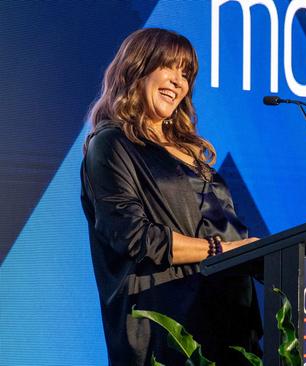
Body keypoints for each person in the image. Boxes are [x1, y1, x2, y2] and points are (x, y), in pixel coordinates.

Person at [80, 28, 262, 365]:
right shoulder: (112, 145)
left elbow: (227, 230)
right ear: (137, 68)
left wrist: (260, 254)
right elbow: (133, 238)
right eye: (169, 67)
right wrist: (221, 251)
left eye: (186, 73)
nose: (179, 81)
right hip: (165, 334)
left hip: (227, 330)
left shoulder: (191, 152)